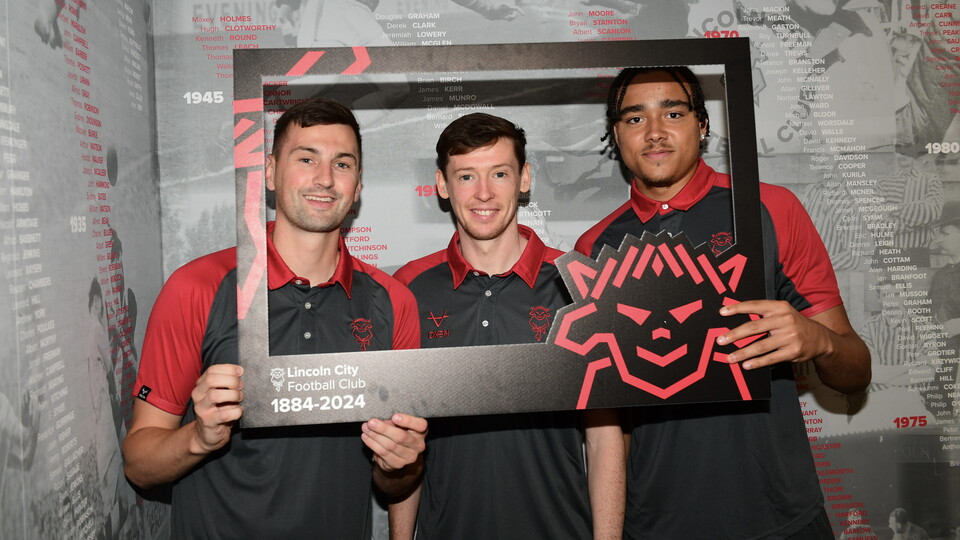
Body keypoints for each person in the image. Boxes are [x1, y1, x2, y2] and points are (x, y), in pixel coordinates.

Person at [575, 66, 871, 539]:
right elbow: (608, 421)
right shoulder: (595, 248)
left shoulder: (770, 209)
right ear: (616, 135)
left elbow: (857, 372)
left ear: (703, 124)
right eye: (634, 119)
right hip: (657, 523)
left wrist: (819, 342)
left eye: (673, 112)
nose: (654, 133)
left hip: (781, 515)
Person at [122, 98, 428, 538]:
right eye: (306, 158)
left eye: (342, 164)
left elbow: (392, 480)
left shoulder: (394, 302)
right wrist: (197, 438)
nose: (325, 178)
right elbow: (138, 462)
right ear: (269, 172)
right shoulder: (197, 288)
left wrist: (401, 462)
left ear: (358, 185)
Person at [392, 113, 624, 539]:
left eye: (499, 173)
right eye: (466, 176)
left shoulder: (580, 284)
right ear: (442, 185)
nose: (483, 192)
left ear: (524, 179)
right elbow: (402, 439)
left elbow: (604, 439)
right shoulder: (408, 288)